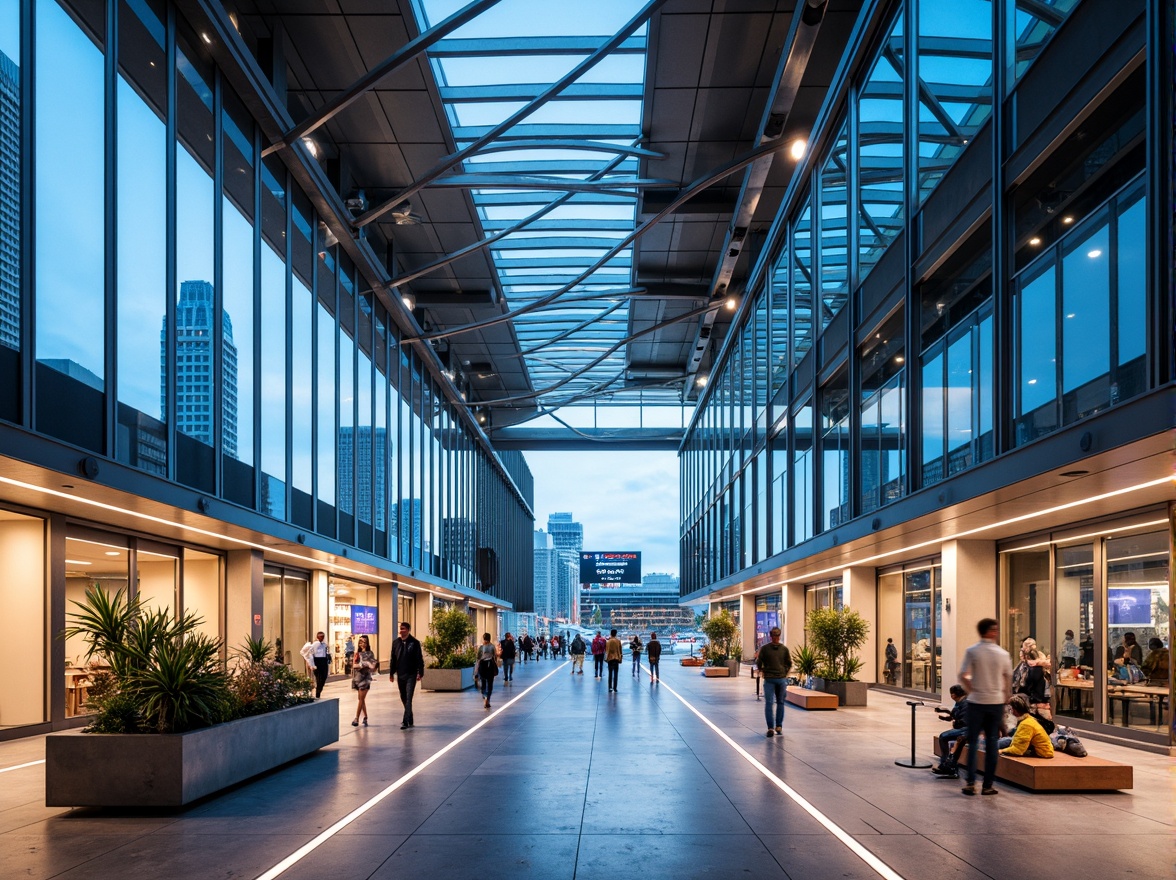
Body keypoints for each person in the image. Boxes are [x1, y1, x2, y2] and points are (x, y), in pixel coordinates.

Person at [958, 617, 1012, 797]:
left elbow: (963, 675)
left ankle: (970, 783)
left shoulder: (972, 651)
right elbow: (1007, 678)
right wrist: (1004, 698)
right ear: (989, 631)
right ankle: (987, 785)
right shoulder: (1002, 654)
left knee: (973, 743)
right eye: (995, 629)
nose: (996, 632)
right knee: (991, 744)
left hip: (976, 702)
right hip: (995, 703)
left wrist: (972, 690)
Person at [755, 626, 792, 738]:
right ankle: (772, 727)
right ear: (771, 636)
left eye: (777, 635)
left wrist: (762, 670)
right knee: (773, 703)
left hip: (777, 679)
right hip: (774, 678)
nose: (776, 637)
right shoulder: (769, 649)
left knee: (775, 702)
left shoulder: (775, 649)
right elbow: (788, 663)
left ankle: (777, 726)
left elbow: (759, 662)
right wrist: (784, 672)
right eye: (774, 635)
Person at [391, 621, 424, 729]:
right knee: (403, 696)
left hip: (411, 674)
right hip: (400, 674)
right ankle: (410, 716)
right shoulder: (396, 643)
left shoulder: (414, 643)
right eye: (400, 629)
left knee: (409, 697)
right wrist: (391, 673)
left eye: (403, 629)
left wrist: (420, 672)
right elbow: (393, 659)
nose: (401, 631)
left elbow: (419, 658)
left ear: (408, 630)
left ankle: (405, 721)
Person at [999, 694, 1055, 758]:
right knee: (1007, 740)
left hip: (1042, 753)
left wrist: (1001, 751)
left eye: (1011, 709)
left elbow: (1018, 750)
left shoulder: (1026, 724)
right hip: (1038, 749)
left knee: (1002, 742)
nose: (1010, 711)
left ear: (1015, 710)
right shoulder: (1028, 719)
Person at [931, 685, 969, 778]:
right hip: (963, 729)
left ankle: (947, 765)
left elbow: (963, 721)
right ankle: (947, 765)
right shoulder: (959, 702)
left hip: (966, 730)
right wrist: (945, 715)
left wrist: (953, 719)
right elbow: (954, 716)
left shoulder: (965, 703)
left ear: (953, 695)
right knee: (944, 737)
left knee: (943, 736)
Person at [1013, 647, 1051, 719]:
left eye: (1022, 657)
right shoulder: (1039, 668)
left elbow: (1027, 685)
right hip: (1041, 701)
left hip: (1036, 702)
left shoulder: (1033, 669)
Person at [350, 635, 376, 726]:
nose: (362, 644)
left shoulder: (370, 653)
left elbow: (373, 666)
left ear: (367, 643)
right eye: (361, 642)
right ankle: (365, 717)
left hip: (366, 678)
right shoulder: (357, 653)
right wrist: (363, 665)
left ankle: (356, 718)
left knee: (361, 699)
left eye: (364, 642)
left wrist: (368, 665)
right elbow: (353, 665)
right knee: (361, 699)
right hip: (358, 678)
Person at [475, 633, 499, 709]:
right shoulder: (492, 646)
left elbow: (478, 658)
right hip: (490, 665)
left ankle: (484, 697)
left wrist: (476, 669)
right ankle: (487, 699)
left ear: (483, 638)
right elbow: (495, 656)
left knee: (483, 683)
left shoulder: (481, 647)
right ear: (490, 638)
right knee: (490, 684)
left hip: (482, 665)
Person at [309, 631, 331, 699]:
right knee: (319, 678)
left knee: (324, 676)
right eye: (320, 636)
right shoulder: (315, 644)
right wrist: (312, 665)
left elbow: (326, 652)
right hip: (317, 661)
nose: (322, 637)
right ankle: (317, 693)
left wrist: (328, 659)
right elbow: (311, 654)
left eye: (323, 636)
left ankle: (319, 689)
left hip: (324, 661)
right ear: (318, 637)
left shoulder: (324, 644)